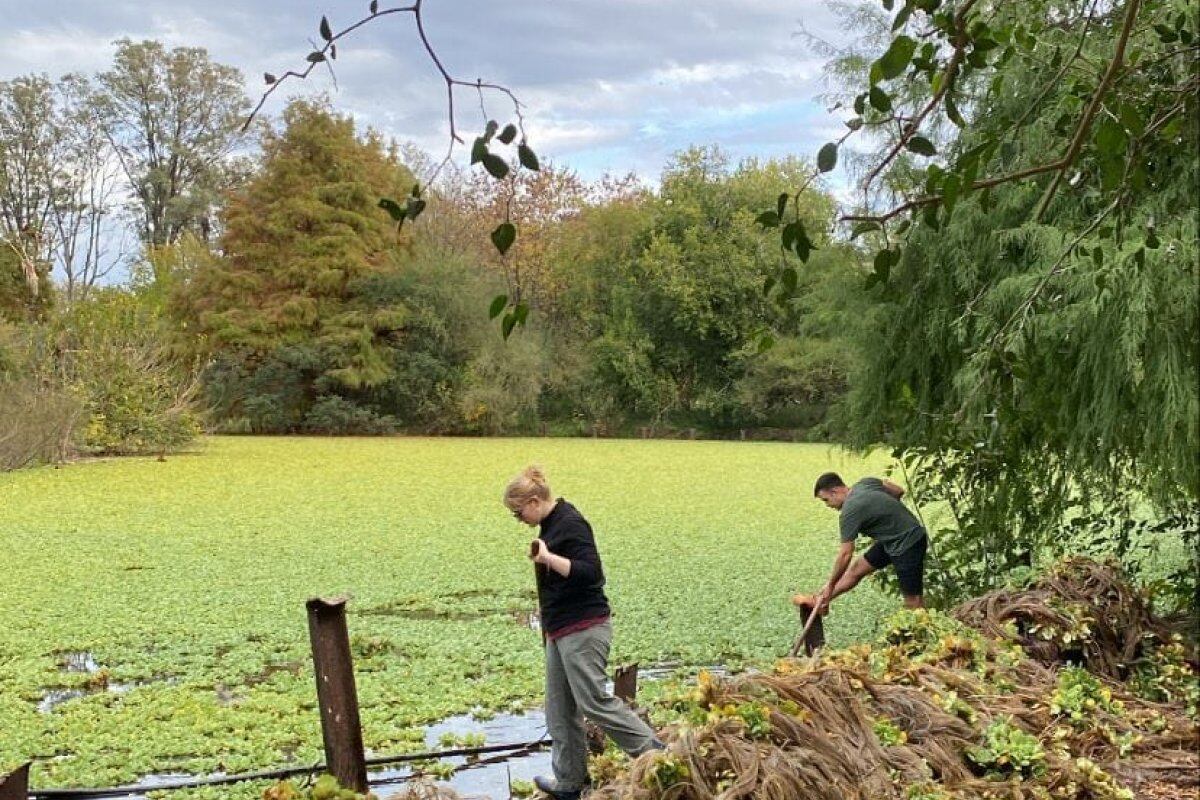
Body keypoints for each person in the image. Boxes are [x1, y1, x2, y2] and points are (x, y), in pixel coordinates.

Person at [504, 466, 663, 800]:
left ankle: (656, 755)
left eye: (518, 513)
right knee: (559, 708)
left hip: (585, 628)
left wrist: (548, 558)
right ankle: (570, 781)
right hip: (560, 631)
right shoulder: (549, 524)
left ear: (534, 500)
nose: (517, 519)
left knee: (593, 701)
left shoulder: (571, 523)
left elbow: (592, 573)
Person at [797, 472, 928, 616]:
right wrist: (886, 516)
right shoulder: (866, 483)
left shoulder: (849, 511)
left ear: (834, 492)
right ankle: (820, 601)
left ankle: (922, 633)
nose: (828, 505)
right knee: (856, 570)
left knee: (913, 600)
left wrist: (831, 584)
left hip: (908, 542)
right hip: (891, 539)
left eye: (826, 500)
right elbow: (898, 490)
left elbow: (845, 554)